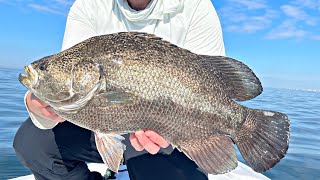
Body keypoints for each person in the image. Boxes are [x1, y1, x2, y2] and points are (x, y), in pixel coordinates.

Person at [13, 0, 226, 179]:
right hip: (97, 126)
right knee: (32, 143)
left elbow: (214, 85)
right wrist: (38, 106)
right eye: (44, 68)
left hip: (170, 134)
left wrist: (173, 131)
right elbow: (66, 92)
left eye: (44, 68)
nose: (41, 71)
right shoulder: (89, 5)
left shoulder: (196, 7)